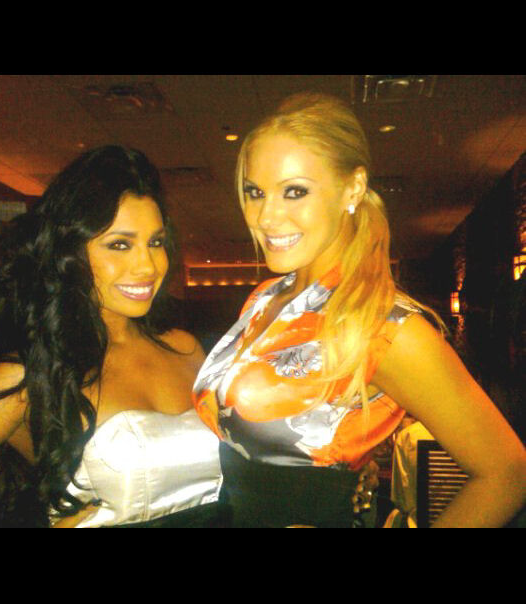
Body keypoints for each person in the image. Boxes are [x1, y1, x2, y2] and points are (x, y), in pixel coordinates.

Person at [192, 93, 526, 528]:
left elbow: (508, 473)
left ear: (352, 188)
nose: (266, 217)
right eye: (256, 192)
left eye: (295, 192)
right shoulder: (264, 298)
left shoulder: (386, 326)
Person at [0, 145, 223, 528]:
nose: (148, 266)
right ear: (68, 253)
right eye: (119, 245)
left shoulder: (185, 348)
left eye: (156, 242)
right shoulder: (26, 380)